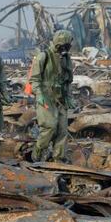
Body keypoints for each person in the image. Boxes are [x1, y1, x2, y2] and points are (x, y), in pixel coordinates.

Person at [30, 30, 75, 163]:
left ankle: (58, 157)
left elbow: (67, 80)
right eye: (63, 45)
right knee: (49, 126)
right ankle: (37, 152)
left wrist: (68, 97)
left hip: (60, 99)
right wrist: (39, 94)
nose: (65, 49)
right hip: (45, 98)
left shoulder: (66, 59)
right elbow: (35, 79)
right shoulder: (43, 57)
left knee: (62, 129)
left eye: (67, 46)